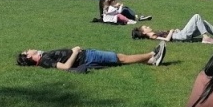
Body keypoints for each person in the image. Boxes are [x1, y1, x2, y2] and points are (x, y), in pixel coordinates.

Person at [16, 42, 166, 70]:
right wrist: (75, 52)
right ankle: (153, 54)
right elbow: (66, 67)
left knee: (118, 58)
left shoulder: (43, 58)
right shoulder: (45, 61)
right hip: (87, 57)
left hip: (87, 55)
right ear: (29, 57)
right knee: (120, 58)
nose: (29, 49)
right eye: (26, 51)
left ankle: (151, 61)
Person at [132, 14, 213, 44]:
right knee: (197, 16)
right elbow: (167, 39)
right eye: (145, 27)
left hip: (179, 34)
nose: (148, 26)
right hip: (181, 36)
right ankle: (205, 37)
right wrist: (171, 31)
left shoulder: (154, 33)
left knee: (204, 23)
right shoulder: (153, 36)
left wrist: (175, 31)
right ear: (143, 32)